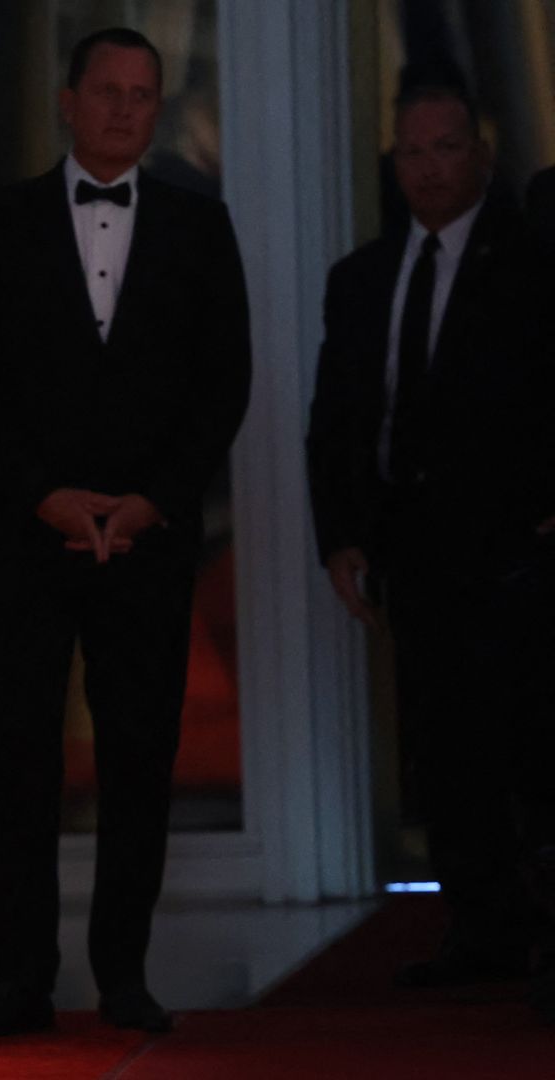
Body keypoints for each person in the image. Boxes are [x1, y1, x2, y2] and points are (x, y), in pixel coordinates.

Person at [0, 27, 251, 1036]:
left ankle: (126, 974)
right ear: (69, 101)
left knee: (140, 755)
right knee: (22, 757)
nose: (125, 108)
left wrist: (155, 496)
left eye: (143, 94)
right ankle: (20, 982)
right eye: (107, 91)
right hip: (29, 538)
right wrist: (47, 496)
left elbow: (223, 382)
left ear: (159, 108)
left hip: (152, 539)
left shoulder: (202, 226)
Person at [307, 82, 555, 996]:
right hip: (410, 556)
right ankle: (478, 929)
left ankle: (537, 938)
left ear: (481, 152)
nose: (429, 168)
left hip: (516, 554)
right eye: (412, 153)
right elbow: (335, 420)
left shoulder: (532, 263)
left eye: (447, 148)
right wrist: (340, 535)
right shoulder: (361, 277)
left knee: (526, 749)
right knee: (441, 751)